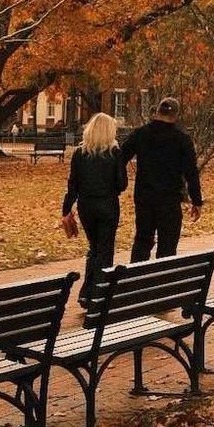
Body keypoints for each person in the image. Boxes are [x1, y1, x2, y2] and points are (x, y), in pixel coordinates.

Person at [121, 97, 202, 262]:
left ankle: (135, 280)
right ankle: (162, 282)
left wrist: (119, 182)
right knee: (168, 245)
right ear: (176, 116)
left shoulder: (141, 134)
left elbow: (120, 157)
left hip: (144, 197)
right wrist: (196, 200)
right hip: (169, 200)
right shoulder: (182, 140)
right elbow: (191, 173)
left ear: (157, 111)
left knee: (142, 241)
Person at [61, 112, 127, 308]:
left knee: (94, 247)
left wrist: (66, 210)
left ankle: (87, 292)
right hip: (107, 205)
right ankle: (98, 292)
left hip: (86, 206)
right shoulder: (114, 153)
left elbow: (72, 185)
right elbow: (122, 184)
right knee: (105, 250)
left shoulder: (80, 154)